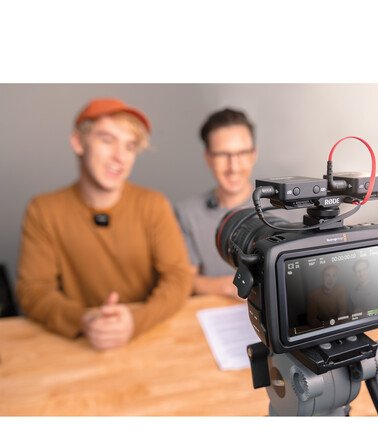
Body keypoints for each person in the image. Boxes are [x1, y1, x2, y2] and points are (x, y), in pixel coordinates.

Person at [16, 98, 192, 350]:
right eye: (108, 140)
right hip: (78, 344)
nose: (120, 157)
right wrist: (84, 320)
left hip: (148, 338)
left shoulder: (154, 204)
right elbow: (33, 290)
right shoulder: (42, 210)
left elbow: (178, 278)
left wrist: (134, 322)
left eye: (130, 146)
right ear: (78, 142)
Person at [175, 108, 258, 298]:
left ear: (254, 154)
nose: (233, 167)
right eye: (222, 155)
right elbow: (185, 281)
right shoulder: (187, 213)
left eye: (242, 153)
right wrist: (234, 286)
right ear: (208, 158)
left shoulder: (287, 207)